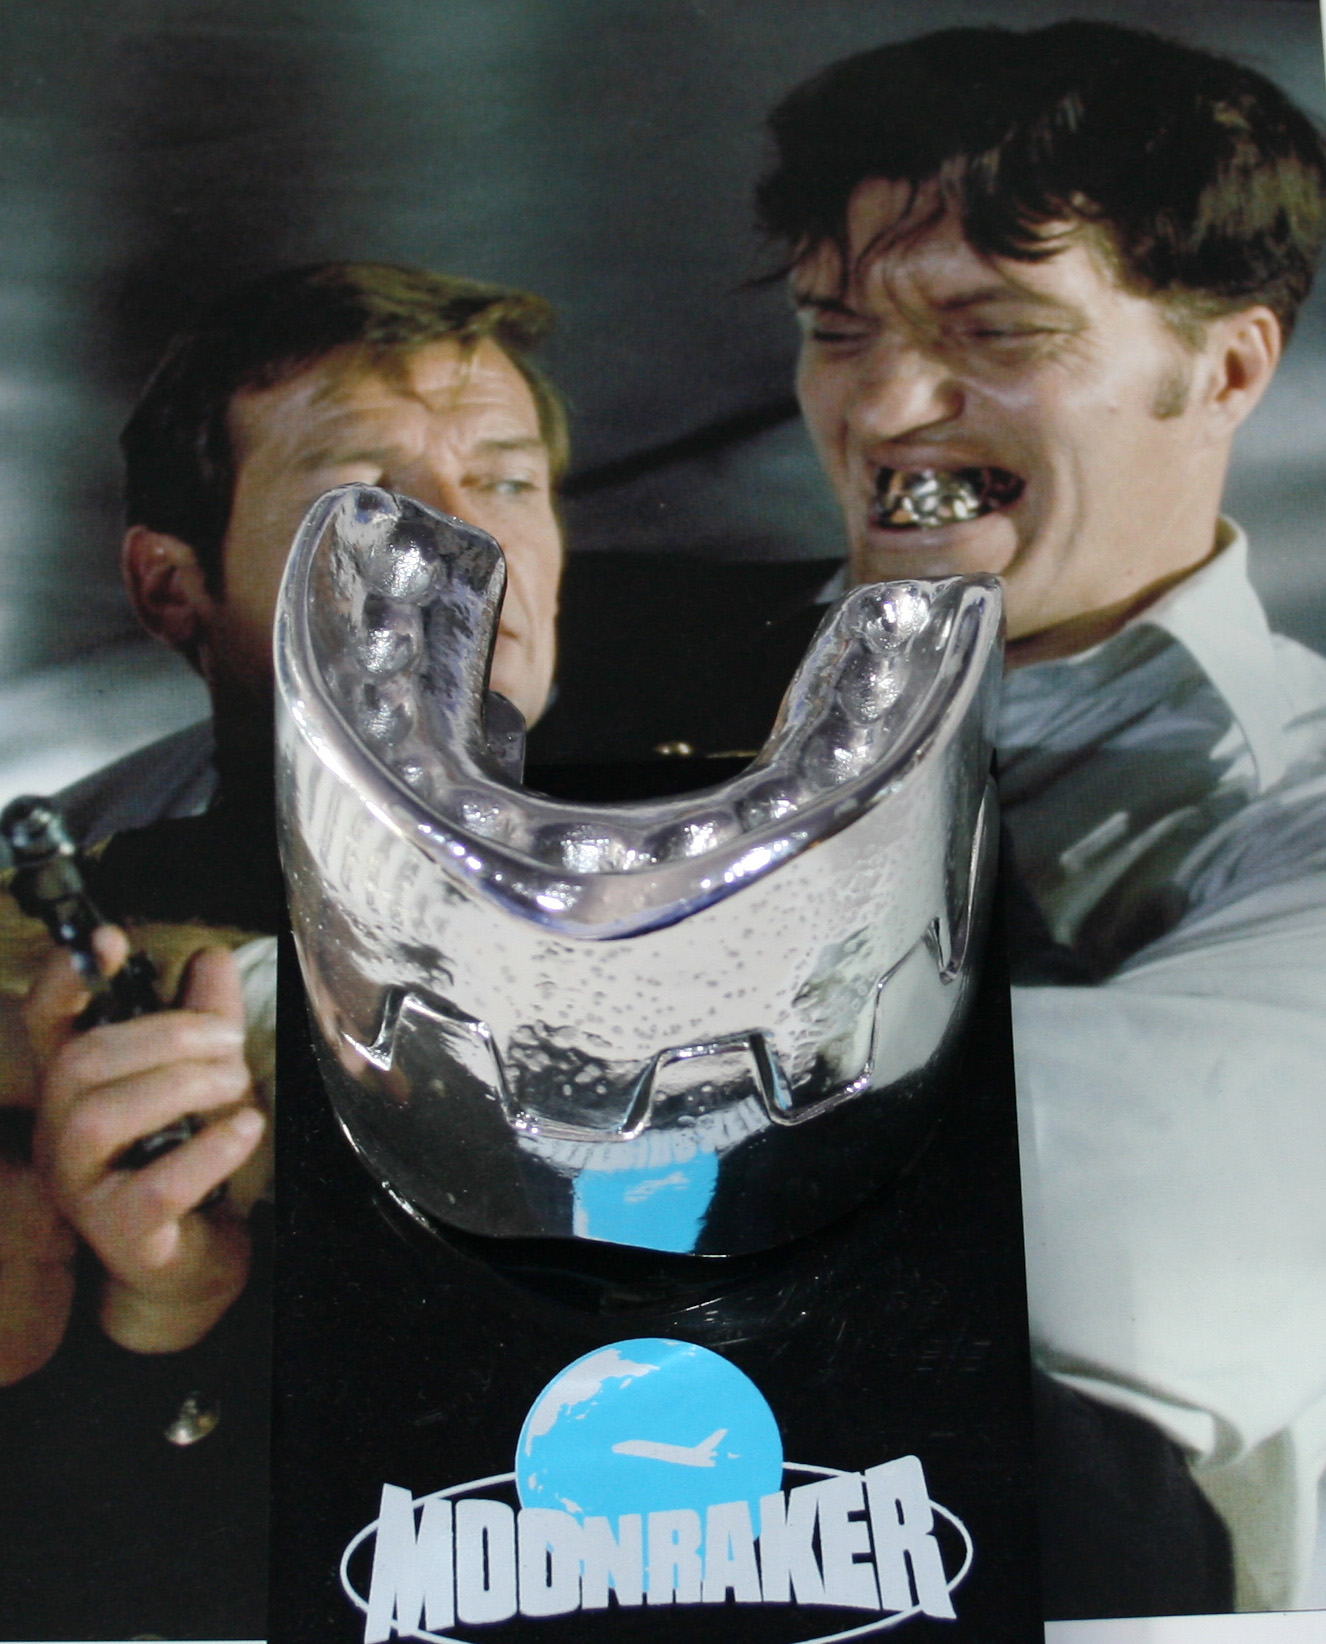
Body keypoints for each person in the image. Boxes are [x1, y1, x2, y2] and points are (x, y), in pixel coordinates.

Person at [747, 19, 1326, 1616]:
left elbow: (1105, 1239)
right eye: (834, 329)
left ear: (1226, 369)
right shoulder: (629, 688)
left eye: (993, 328)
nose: (882, 405)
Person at [0, 262, 570, 1639]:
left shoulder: (805, 890)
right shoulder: (33, 988)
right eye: (360, 494)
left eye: (504, 481)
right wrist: (165, 1318)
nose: (459, 540)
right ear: (172, 586)